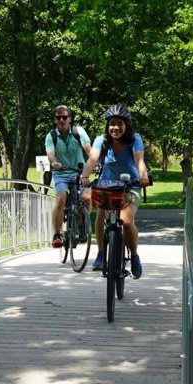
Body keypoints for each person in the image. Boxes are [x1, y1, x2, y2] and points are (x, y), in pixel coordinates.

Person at [80, 104, 149, 279]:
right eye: (112, 123)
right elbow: (93, 159)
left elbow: (139, 160)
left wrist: (143, 176)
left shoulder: (135, 139)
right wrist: (84, 176)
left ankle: (134, 256)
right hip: (107, 185)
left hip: (130, 186)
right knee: (101, 214)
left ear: (126, 125)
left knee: (125, 221)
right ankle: (101, 254)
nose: (115, 128)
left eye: (119, 123)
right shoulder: (101, 140)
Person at [46, 105, 92, 248]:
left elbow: (89, 150)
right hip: (61, 174)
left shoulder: (79, 132)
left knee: (87, 198)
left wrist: (94, 162)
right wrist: (54, 163)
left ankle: (83, 226)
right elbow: (50, 154)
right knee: (61, 199)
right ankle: (57, 234)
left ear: (69, 119)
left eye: (64, 117)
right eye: (58, 117)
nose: (61, 120)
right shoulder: (51, 136)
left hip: (79, 172)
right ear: (55, 120)